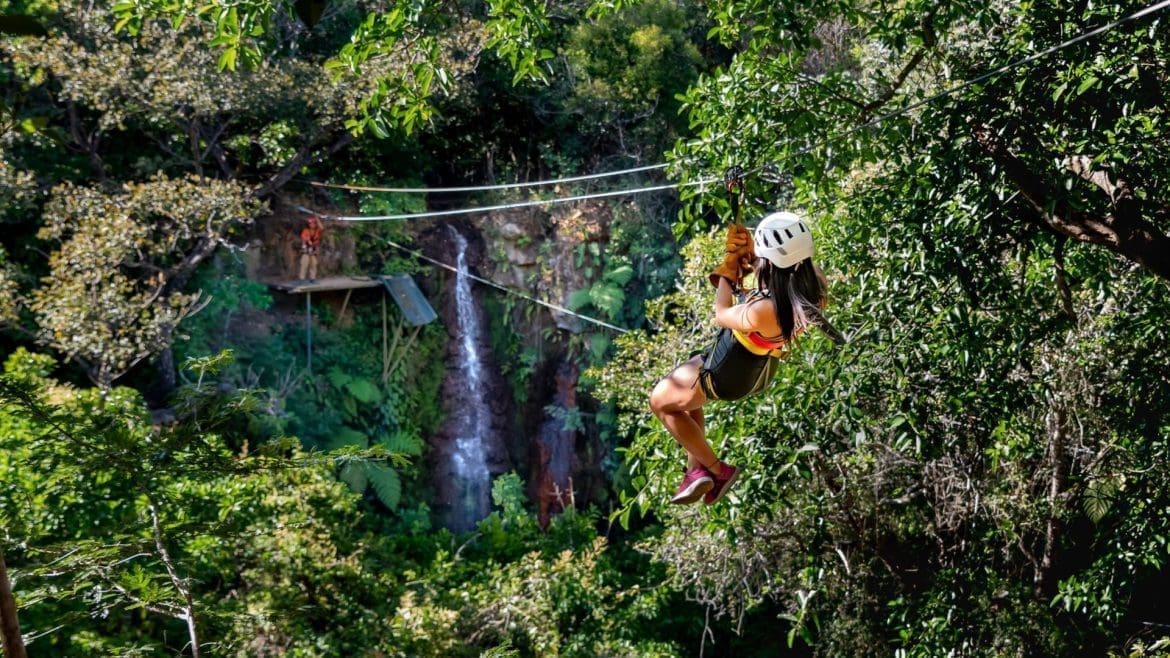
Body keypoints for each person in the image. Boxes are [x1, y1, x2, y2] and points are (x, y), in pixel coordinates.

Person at [648, 211, 843, 505]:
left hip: (729, 370)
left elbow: (722, 315)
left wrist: (727, 272)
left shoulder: (765, 310)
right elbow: (777, 279)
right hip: (757, 369)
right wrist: (749, 257)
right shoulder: (815, 285)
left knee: (660, 402)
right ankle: (695, 469)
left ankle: (716, 470)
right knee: (684, 400)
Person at [299, 214, 323, 282]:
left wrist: (317, 218)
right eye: (310, 223)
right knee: (304, 264)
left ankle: (312, 278)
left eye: (313, 223)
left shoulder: (317, 231)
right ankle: (302, 278)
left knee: (314, 264)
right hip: (306, 249)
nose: (312, 224)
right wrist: (307, 242)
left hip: (313, 250)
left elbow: (321, 228)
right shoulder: (305, 230)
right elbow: (303, 238)